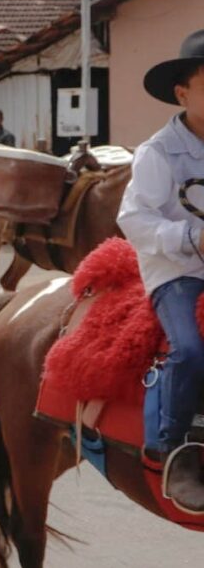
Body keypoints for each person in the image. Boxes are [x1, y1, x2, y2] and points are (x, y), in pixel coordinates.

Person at [117, 29, 204, 510]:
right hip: (178, 271)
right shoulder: (158, 153)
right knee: (190, 350)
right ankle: (172, 446)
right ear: (183, 92)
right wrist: (193, 237)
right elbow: (133, 219)